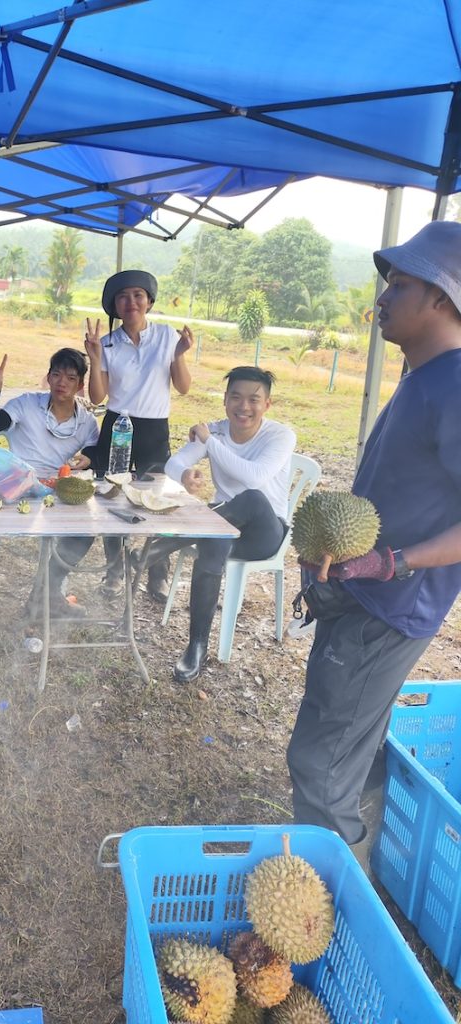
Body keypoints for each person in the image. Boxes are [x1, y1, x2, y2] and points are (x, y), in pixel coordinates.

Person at [287, 221, 461, 858]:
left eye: (400, 284)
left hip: (391, 606)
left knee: (320, 763)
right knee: (345, 740)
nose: (382, 298)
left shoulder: (457, 383)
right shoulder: (425, 376)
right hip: (365, 596)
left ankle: (331, 916)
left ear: (443, 297)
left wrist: (393, 562)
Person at [155, 366, 295, 682]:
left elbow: (254, 477)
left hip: (265, 532)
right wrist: (184, 475)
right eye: (236, 397)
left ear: (267, 404)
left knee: (252, 498)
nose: (244, 407)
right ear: (225, 400)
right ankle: (197, 647)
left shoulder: (281, 436)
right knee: (214, 539)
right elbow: (173, 462)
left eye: (254, 400)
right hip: (222, 524)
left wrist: (210, 441)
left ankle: (167, 543)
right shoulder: (215, 431)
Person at [85, 269, 193, 601]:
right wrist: (94, 359)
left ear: (148, 301)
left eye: (137, 295)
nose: (131, 302)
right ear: (114, 306)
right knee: (112, 498)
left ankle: (156, 572)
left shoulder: (167, 337)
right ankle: (114, 572)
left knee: (158, 501)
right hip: (117, 426)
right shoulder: (106, 343)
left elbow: (184, 387)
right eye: (122, 297)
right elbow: (97, 398)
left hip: (154, 429)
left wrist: (180, 354)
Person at [0, 346, 100, 617]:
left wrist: (88, 459)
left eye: (70, 378)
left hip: (53, 491)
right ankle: (47, 597)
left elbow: (94, 452)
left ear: (80, 385)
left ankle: (46, 593)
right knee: (61, 525)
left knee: (86, 531)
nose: (61, 383)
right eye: (56, 375)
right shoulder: (27, 404)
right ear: (48, 377)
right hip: (14, 487)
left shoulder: (87, 423)